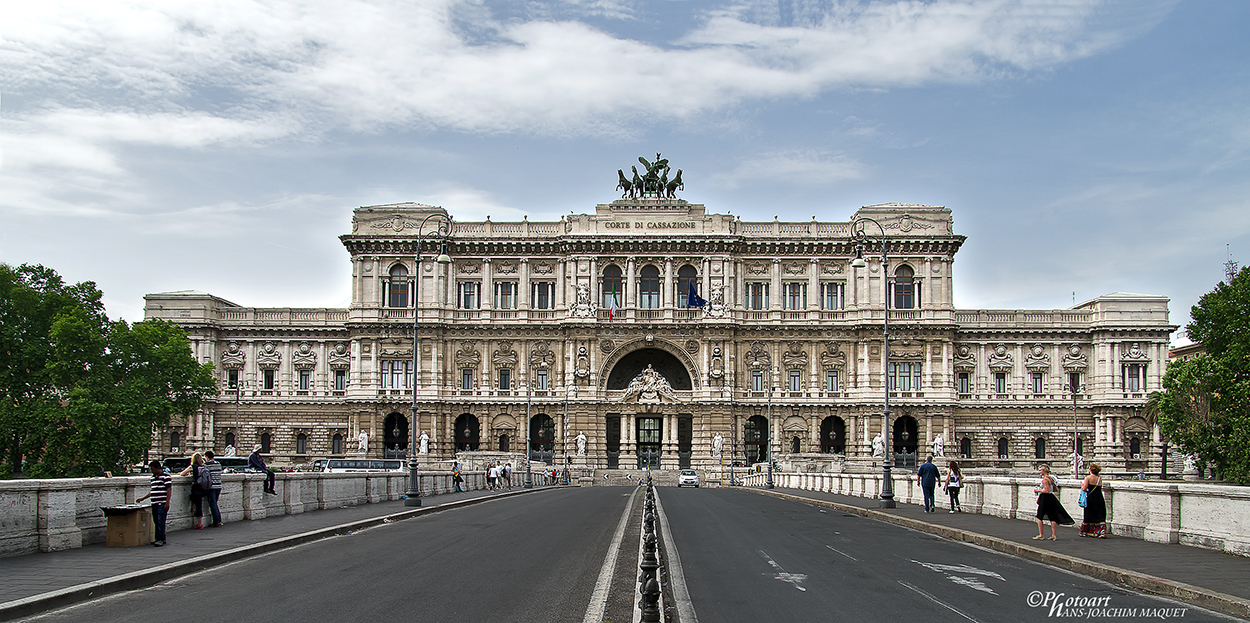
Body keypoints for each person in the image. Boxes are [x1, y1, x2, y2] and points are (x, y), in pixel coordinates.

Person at [1034, 464, 1074, 540]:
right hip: (1051, 498)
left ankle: (1041, 534)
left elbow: (1047, 490)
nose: (1039, 472)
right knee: (1052, 517)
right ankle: (1054, 535)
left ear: (1044, 471)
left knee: (1039, 516)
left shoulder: (1045, 480)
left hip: (1045, 498)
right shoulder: (1051, 478)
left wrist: (1038, 490)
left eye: (1040, 470)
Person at [137, 460, 172, 546]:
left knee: (160, 521)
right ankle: (160, 538)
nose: (152, 471)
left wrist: (167, 502)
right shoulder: (153, 478)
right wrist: (142, 498)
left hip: (162, 502)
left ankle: (159, 539)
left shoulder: (166, 477)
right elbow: (152, 491)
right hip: (154, 502)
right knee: (156, 521)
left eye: (152, 469)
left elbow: (169, 490)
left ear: (157, 468)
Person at [178, 453, 209, 529]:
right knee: (199, 505)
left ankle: (199, 523)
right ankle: (200, 521)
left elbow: (182, 474)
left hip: (197, 488)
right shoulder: (203, 467)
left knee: (197, 505)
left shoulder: (193, 467)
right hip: (204, 488)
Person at [1079, 463, 1107, 538]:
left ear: (1090, 470)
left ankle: (1086, 531)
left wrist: (1082, 485)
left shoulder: (1088, 478)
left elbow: (1084, 489)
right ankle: (1101, 531)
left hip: (1091, 498)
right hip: (1099, 497)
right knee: (1100, 514)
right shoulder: (1099, 478)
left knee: (1089, 514)